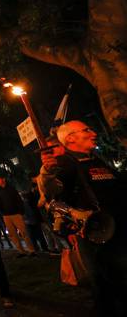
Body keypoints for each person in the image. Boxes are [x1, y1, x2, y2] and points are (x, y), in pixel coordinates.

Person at [41, 120, 127, 316]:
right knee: (112, 286)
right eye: (87, 129)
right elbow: (53, 194)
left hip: (120, 230)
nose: (93, 132)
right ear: (70, 138)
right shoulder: (65, 164)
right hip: (100, 236)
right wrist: (47, 172)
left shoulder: (96, 160)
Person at [0, 176, 35, 257]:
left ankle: (31, 250)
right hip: (6, 215)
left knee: (24, 232)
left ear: (3, 179)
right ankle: (21, 251)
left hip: (16, 214)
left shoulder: (11, 189)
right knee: (13, 234)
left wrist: (21, 212)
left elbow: (18, 200)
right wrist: (1, 211)